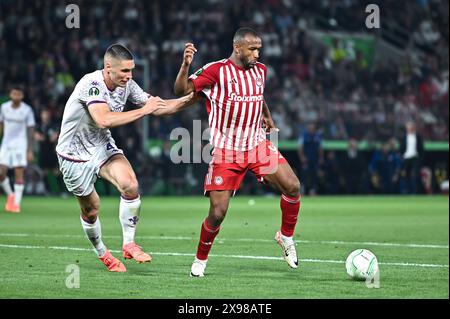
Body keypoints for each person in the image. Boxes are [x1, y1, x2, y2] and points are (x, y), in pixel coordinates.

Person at [174, 27, 302, 277]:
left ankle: (285, 237)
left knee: (293, 186)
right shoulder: (216, 70)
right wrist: (185, 65)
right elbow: (181, 91)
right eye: (252, 49)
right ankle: (200, 259)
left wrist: (267, 116)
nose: (257, 54)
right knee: (218, 213)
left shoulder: (260, 71)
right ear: (237, 47)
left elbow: (259, 96)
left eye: (259, 49)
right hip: (226, 152)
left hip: (256, 145)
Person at [56, 43, 192, 272]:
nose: (129, 76)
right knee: (91, 209)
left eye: (131, 70)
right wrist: (144, 110)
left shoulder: (126, 85)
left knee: (130, 185)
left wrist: (193, 97)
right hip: (73, 155)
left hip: (101, 145)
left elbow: (158, 107)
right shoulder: (91, 85)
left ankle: (129, 243)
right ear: (108, 67)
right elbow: (103, 120)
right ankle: (102, 252)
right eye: (124, 71)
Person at [0, 86, 36, 213]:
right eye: (14, 94)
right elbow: (1, 125)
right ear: (10, 94)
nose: (16, 96)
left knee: (18, 173)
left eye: (18, 94)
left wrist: (30, 150)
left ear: (22, 96)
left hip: (21, 144)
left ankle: (16, 204)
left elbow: (31, 130)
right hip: (6, 144)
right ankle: (10, 195)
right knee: (1, 173)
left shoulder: (27, 110)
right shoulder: (4, 108)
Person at [298, 122, 323, 195]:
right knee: (304, 174)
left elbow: (320, 148)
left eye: (313, 128)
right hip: (306, 159)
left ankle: (313, 190)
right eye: (310, 128)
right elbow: (300, 147)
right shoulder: (304, 136)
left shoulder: (318, 136)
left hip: (315, 159)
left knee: (314, 174)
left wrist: (321, 158)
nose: (311, 129)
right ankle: (302, 189)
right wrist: (302, 157)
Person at [399, 121, 424, 194]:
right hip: (406, 158)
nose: (410, 128)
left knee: (416, 175)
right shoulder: (404, 137)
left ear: (414, 128)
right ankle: (407, 191)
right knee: (406, 175)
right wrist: (401, 155)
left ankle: (416, 191)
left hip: (415, 157)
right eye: (408, 127)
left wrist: (420, 158)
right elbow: (401, 147)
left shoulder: (418, 136)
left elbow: (421, 149)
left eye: (411, 127)